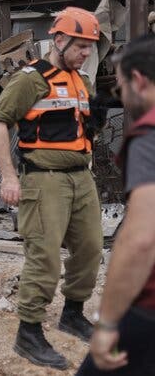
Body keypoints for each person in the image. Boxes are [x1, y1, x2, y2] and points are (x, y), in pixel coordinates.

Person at [0, 6, 103, 370]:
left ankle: (72, 313)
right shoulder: (29, 79)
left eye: (90, 47)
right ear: (59, 39)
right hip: (45, 180)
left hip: (81, 178)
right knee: (45, 256)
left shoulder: (83, 80)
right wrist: (8, 176)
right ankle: (29, 332)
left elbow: (83, 129)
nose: (87, 54)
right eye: (81, 46)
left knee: (90, 249)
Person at [77, 34, 155, 375]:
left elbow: (141, 240)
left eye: (121, 86)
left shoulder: (148, 137)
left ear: (138, 81)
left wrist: (107, 322)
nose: (121, 95)